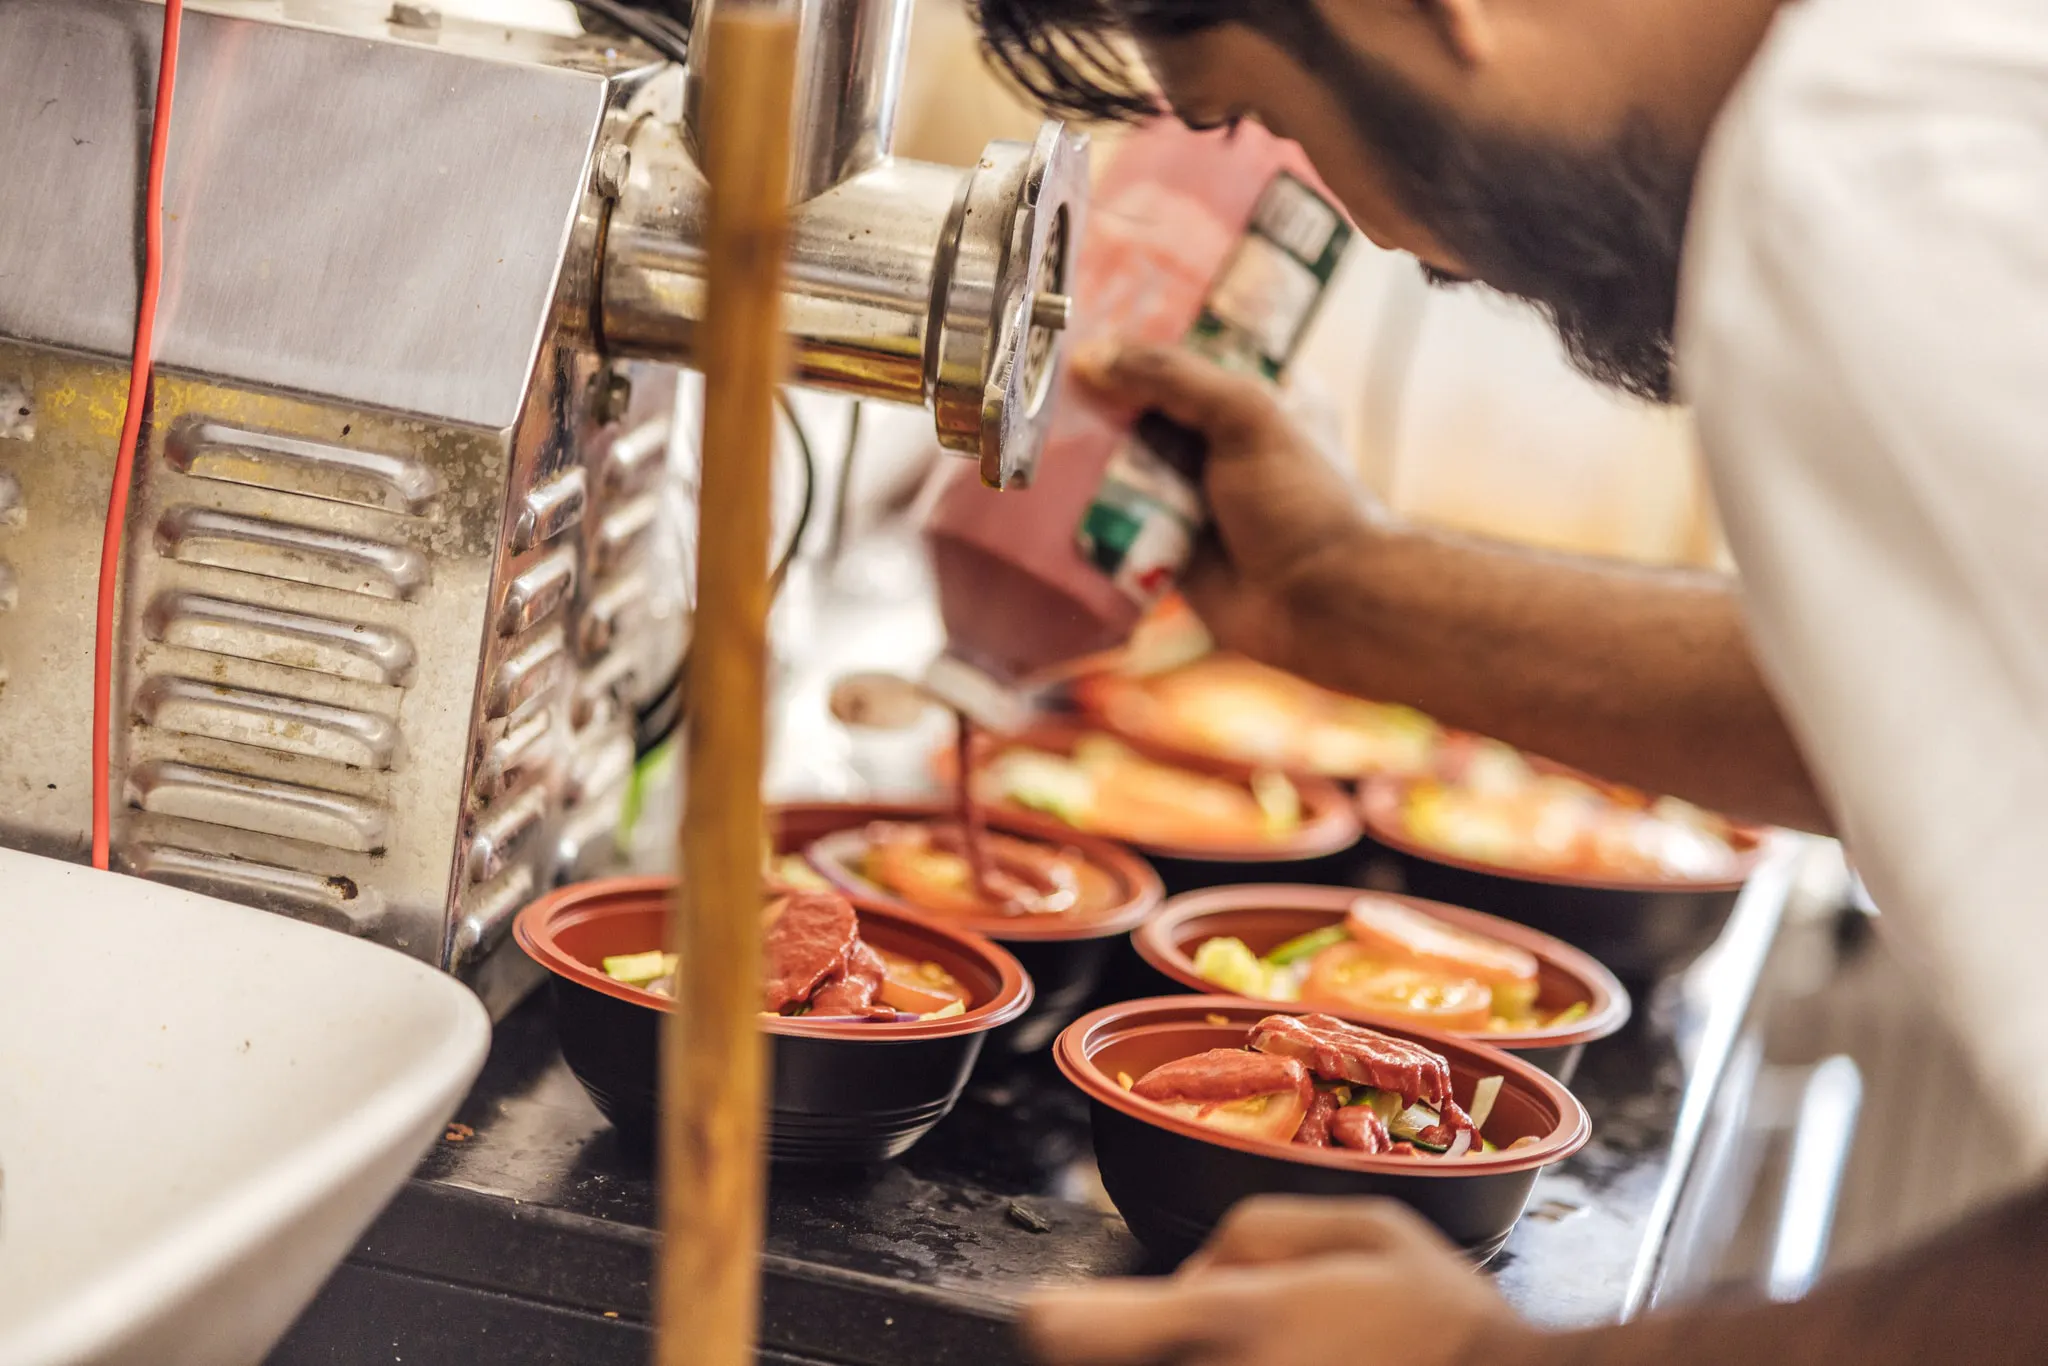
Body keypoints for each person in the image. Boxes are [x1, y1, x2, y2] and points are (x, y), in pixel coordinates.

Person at [958, 0, 2048, 1362]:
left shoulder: (1864, 164)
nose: (1379, 230)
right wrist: (1342, 592)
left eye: (1283, 115)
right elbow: (1937, 702)